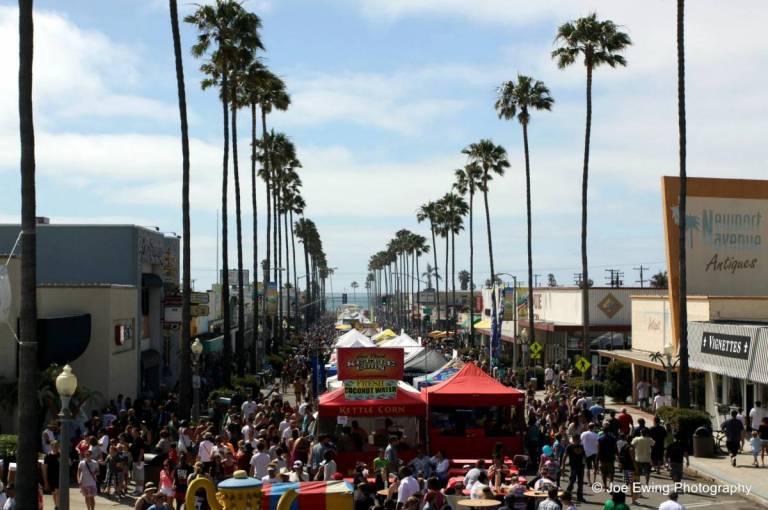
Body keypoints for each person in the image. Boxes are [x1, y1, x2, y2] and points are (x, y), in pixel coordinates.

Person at [562, 434, 585, 502]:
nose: (580, 440)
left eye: (579, 439)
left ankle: (579, 496)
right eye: (578, 439)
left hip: (581, 466)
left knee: (580, 482)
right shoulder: (569, 446)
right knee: (572, 481)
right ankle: (567, 495)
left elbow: (583, 455)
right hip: (573, 466)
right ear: (575, 439)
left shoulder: (581, 446)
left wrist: (584, 463)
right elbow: (565, 455)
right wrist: (563, 464)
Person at [42, 440, 60, 509]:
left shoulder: (61, 455)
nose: (55, 447)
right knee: (54, 492)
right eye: (54, 446)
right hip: (51, 476)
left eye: (57, 446)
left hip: (59, 476)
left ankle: (58, 506)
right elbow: (44, 468)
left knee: (57, 491)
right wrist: (45, 481)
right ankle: (56, 505)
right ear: (51, 447)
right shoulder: (47, 456)